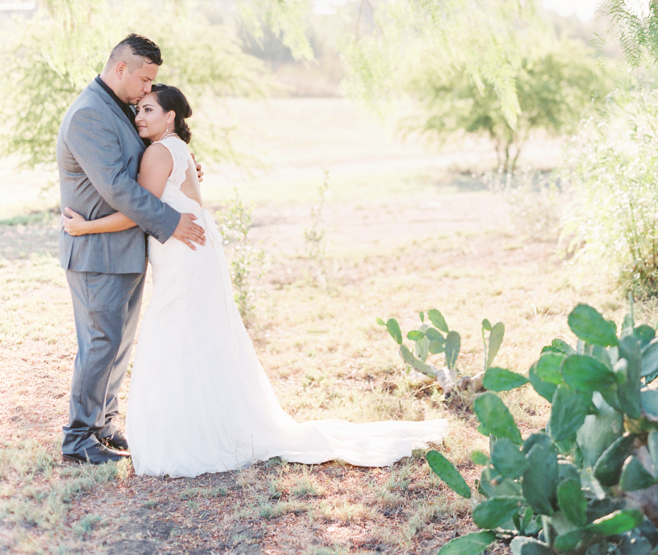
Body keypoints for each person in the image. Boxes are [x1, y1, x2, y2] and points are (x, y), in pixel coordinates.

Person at [62, 84, 447, 477]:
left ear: (169, 116)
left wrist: (85, 228)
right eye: (138, 110)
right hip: (196, 250)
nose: (139, 117)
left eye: (147, 110)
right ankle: (205, 424)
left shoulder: (159, 153)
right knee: (194, 336)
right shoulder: (178, 150)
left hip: (181, 252)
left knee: (172, 335)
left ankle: (185, 435)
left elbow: (138, 210)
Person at [57, 36, 207, 465]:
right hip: (96, 252)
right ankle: (78, 437)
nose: (147, 90)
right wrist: (170, 219)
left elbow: (142, 163)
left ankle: (103, 423)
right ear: (121, 68)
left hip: (124, 250)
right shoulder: (89, 114)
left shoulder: (116, 108)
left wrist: (179, 169)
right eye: (144, 79)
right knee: (100, 343)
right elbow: (119, 188)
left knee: (118, 344)